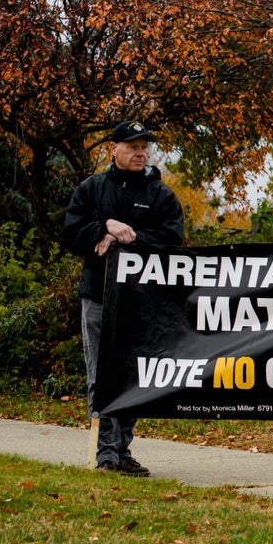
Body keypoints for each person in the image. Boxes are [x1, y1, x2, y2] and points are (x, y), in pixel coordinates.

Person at [61, 120, 185, 477]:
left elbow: (173, 238)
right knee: (101, 377)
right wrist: (103, 227)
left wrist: (126, 237)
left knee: (133, 378)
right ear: (113, 149)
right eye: (132, 146)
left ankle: (123, 450)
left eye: (144, 146)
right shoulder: (91, 189)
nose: (140, 152)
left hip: (142, 303)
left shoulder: (160, 194)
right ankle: (105, 456)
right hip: (98, 299)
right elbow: (71, 233)